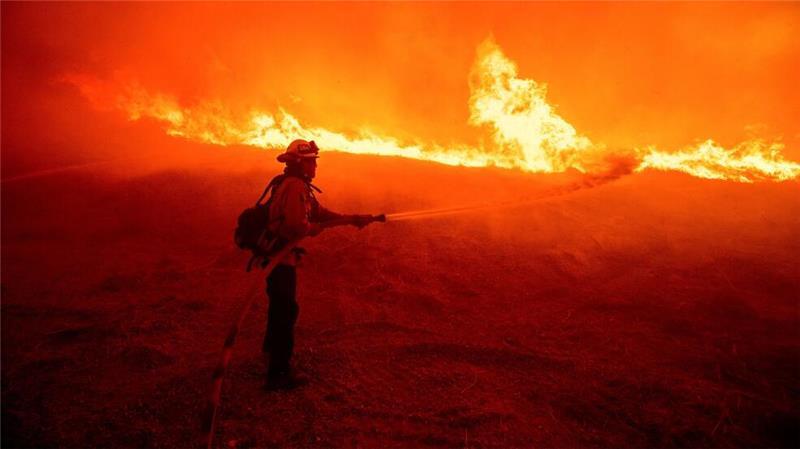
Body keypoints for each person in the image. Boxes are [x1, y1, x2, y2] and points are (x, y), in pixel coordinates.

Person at [262, 139, 374, 390]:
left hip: (275, 258)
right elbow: (295, 225)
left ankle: (270, 347)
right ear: (301, 163)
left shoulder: (295, 185)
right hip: (281, 259)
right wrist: (313, 230)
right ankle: (278, 373)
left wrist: (351, 219)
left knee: (279, 306)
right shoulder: (295, 187)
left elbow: (318, 211)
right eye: (312, 161)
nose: (315, 167)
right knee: (286, 310)